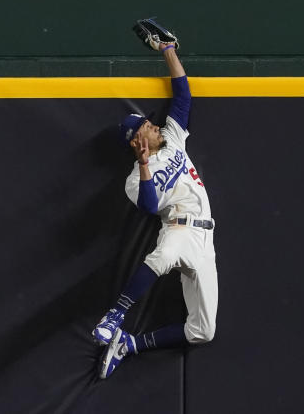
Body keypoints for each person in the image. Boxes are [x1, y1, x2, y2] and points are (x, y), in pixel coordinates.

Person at [92, 39, 218, 379]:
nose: (154, 125)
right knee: (161, 257)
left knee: (204, 331)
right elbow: (149, 206)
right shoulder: (134, 180)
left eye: (151, 123)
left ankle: (130, 344)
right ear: (138, 141)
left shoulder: (173, 137)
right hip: (178, 228)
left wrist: (168, 51)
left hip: (206, 241)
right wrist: (145, 164)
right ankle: (115, 315)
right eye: (147, 126)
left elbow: (183, 95)